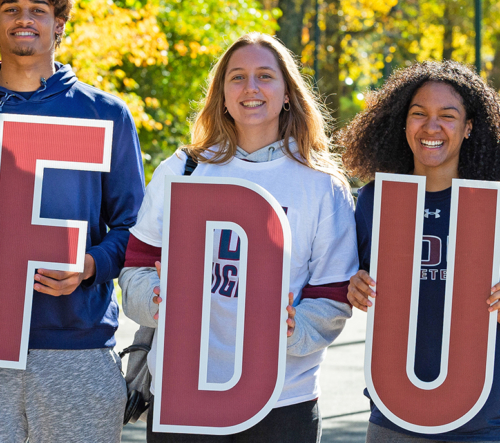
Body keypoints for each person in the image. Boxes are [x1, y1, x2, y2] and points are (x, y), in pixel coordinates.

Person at [119, 32, 358, 442]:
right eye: (237, 77)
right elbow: (134, 273)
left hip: (282, 402)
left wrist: (294, 328)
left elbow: (333, 297)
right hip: (183, 392)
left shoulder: (322, 186)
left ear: (287, 94)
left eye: (265, 76)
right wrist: (158, 300)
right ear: (221, 95)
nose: (251, 88)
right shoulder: (182, 170)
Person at [0, 0, 145, 443]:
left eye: (38, 8)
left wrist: (89, 265)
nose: (24, 19)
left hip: (76, 349)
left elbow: (138, 231)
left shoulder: (104, 115)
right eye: (10, 9)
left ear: (59, 23)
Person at [341, 60, 500, 442]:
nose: (431, 127)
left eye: (448, 116)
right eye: (419, 114)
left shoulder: (495, 206)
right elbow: (349, 282)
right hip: (394, 417)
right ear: (402, 123)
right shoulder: (373, 201)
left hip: (481, 420)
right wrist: (354, 285)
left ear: (469, 127)